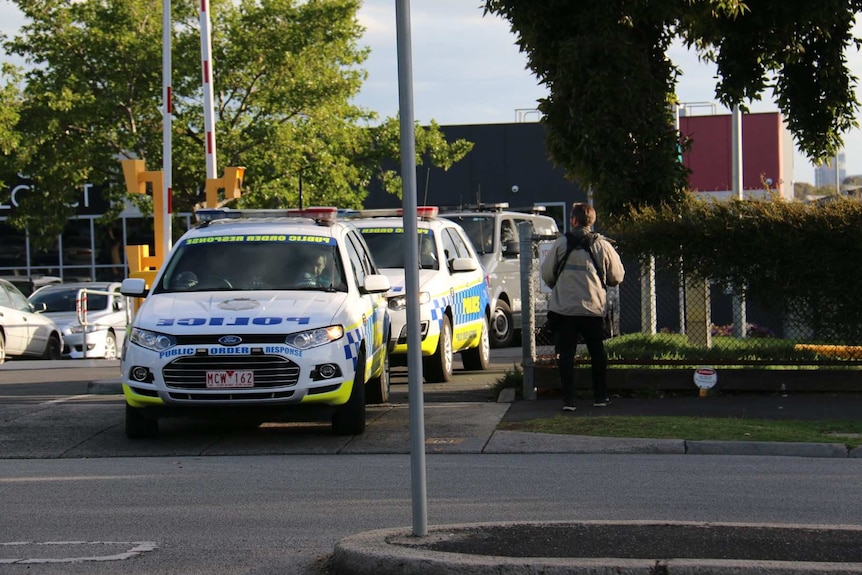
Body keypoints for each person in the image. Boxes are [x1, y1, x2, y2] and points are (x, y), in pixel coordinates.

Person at [540, 203, 625, 412]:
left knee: (566, 355)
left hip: (564, 310)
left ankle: (569, 400)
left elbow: (547, 274)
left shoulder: (561, 244)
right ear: (592, 221)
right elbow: (617, 276)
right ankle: (600, 396)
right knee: (597, 353)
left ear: (574, 220)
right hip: (593, 309)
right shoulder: (602, 245)